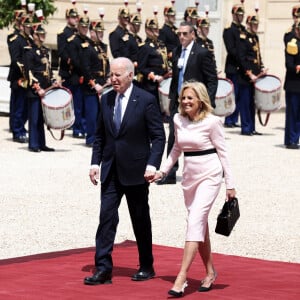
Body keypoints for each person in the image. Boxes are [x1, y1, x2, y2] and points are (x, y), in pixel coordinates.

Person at [84, 57, 166, 285]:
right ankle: (103, 269)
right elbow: (100, 135)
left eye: (118, 75)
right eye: (111, 74)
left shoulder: (146, 100)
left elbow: (158, 137)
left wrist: (152, 165)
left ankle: (147, 265)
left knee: (140, 219)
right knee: (106, 218)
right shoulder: (107, 99)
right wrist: (94, 163)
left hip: (137, 171)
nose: (113, 79)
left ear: (130, 75)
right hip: (110, 170)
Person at [149, 81, 236, 296]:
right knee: (200, 225)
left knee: (195, 220)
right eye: (183, 97)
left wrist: (230, 184)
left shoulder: (213, 122)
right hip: (189, 177)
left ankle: (182, 277)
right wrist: (163, 171)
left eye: (190, 98)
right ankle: (210, 272)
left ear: (200, 100)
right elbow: (176, 148)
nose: (185, 101)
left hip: (210, 175)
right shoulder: (178, 119)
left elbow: (223, 153)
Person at [158, 21, 218, 185]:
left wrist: (207, 102)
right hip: (179, 101)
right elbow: (176, 78)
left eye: (185, 34)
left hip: (197, 103)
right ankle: (169, 173)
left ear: (193, 34)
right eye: (179, 34)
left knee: (203, 136)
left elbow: (212, 80)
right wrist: (171, 100)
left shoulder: (202, 53)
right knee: (173, 136)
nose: (182, 37)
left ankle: (212, 170)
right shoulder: (177, 52)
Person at [23, 23, 57, 152]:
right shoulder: (29, 51)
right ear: (34, 35)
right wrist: (38, 88)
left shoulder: (44, 50)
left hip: (46, 89)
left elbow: (48, 69)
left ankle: (41, 143)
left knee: (42, 118)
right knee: (34, 117)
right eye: (40, 34)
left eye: (44, 34)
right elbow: (29, 72)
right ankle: (33, 144)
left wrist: (53, 81)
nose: (43, 36)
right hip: (36, 90)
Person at [80, 20, 110, 147]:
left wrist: (109, 76)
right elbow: (85, 68)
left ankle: (101, 138)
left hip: (103, 83)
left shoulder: (103, 47)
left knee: (103, 114)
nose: (101, 34)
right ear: (92, 32)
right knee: (92, 115)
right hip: (92, 86)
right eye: (98, 31)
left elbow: (106, 64)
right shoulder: (87, 47)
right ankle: (91, 138)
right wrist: (94, 84)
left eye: (102, 31)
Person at [238, 15, 266, 136]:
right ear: (248, 24)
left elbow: (257, 56)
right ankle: (246, 128)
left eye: (257, 24)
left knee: (252, 103)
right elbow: (242, 58)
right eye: (253, 24)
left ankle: (252, 127)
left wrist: (262, 67)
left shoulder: (255, 37)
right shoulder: (243, 38)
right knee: (245, 102)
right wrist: (249, 73)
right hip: (246, 76)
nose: (256, 26)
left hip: (256, 75)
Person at [7, 12, 32, 144]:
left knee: (26, 108)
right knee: (19, 107)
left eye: (30, 26)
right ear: (21, 26)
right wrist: (26, 74)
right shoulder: (16, 40)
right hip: (20, 78)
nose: (29, 28)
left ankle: (21, 128)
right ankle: (17, 131)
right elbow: (16, 60)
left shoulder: (29, 40)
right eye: (27, 26)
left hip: (28, 79)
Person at [66, 14, 90, 139]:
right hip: (78, 76)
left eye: (86, 27)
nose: (85, 29)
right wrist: (86, 71)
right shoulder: (73, 41)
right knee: (78, 106)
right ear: (79, 27)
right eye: (82, 27)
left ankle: (85, 127)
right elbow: (75, 61)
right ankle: (77, 129)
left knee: (86, 106)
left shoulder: (89, 41)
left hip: (87, 78)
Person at [223, 3, 246, 128]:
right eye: (239, 15)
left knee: (240, 94)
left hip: (242, 67)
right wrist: (242, 58)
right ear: (234, 15)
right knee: (232, 94)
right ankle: (229, 119)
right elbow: (231, 49)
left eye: (242, 15)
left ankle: (235, 118)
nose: (241, 17)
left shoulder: (243, 29)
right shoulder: (229, 30)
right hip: (234, 66)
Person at [137, 17, 171, 102]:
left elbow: (165, 60)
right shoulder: (144, 47)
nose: (156, 30)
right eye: (152, 29)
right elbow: (141, 68)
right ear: (147, 30)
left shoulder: (161, 44)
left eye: (156, 28)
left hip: (165, 81)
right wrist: (153, 76)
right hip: (151, 85)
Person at [283, 19, 300, 149]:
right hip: (294, 84)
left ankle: (295, 138)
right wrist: (298, 67)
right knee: (293, 114)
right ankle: (291, 140)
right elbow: (289, 65)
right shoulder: (292, 44)